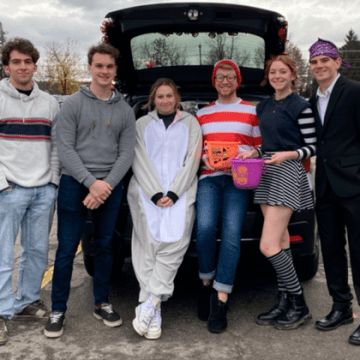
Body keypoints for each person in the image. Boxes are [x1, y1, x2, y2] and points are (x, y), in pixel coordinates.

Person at [44, 43, 136, 338]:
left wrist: (105, 185)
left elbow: (127, 153)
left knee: (105, 246)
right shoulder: (72, 104)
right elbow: (65, 149)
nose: (104, 71)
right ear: (90, 68)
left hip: (110, 185)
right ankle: (58, 309)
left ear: (115, 69)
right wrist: (90, 182)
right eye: (99, 66)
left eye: (109, 66)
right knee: (67, 249)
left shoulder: (124, 110)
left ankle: (102, 303)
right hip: (75, 183)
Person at [241, 53, 316, 330]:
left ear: (293, 75)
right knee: (282, 242)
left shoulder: (301, 106)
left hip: (287, 172)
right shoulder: (263, 106)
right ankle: (283, 299)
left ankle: (299, 302)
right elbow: (269, 143)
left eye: (282, 72)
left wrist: (289, 154)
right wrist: (255, 151)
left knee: (267, 245)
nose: (277, 76)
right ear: (268, 76)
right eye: (273, 72)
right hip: (266, 172)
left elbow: (312, 146)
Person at [128, 78, 202, 340]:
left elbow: (193, 160)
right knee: (147, 246)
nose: (165, 100)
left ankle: (151, 302)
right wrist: (155, 193)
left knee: (174, 244)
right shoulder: (142, 124)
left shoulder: (191, 123)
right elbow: (139, 159)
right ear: (153, 99)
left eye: (169, 95)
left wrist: (173, 192)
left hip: (180, 193)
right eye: (160, 96)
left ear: (176, 97)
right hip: (146, 192)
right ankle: (153, 311)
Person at [0, 38, 60, 346]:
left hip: (42, 190)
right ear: (7, 65)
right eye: (16, 62)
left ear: (35, 65)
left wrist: (52, 182)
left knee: (37, 251)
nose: (22, 67)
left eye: (27, 61)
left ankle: (26, 301)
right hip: (9, 189)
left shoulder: (49, 102)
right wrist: (3, 184)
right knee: (3, 254)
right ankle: (0, 313)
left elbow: (55, 146)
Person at [195, 59, 261, 333]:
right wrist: (204, 160)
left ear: (238, 80)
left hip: (238, 180)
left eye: (230, 76)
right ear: (214, 81)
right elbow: (195, 149)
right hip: (209, 179)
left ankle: (221, 299)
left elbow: (260, 147)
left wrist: (252, 154)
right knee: (205, 228)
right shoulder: (202, 114)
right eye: (220, 77)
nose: (225, 81)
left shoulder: (251, 111)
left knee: (232, 232)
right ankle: (206, 284)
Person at [308, 38, 360, 345]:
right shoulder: (311, 97)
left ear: (337, 62)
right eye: (314, 62)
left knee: (359, 252)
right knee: (331, 249)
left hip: (353, 184)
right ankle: (341, 307)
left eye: (325, 60)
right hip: (325, 184)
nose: (319, 66)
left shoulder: (354, 92)